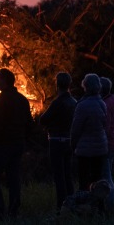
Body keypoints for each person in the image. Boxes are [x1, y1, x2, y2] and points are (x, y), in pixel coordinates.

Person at [0, 68, 33, 220]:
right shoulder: (22, 99)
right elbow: (29, 124)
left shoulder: (0, 100)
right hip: (17, 144)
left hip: (2, 145)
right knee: (13, 178)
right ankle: (14, 210)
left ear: (4, 81)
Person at [39, 72, 76, 210]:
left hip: (56, 141)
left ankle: (61, 206)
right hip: (69, 141)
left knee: (59, 175)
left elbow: (43, 119)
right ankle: (72, 204)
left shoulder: (58, 102)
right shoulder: (74, 102)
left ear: (57, 85)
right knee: (67, 174)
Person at [71, 73, 107, 195]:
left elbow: (76, 128)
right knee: (98, 180)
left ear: (85, 86)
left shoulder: (82, 105)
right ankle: (98, 207)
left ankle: (84, 206)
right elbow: (105, 125)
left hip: (85, 150)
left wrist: (72, 145)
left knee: (84, 180)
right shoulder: (102, 103)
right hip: (100, 148)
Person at [101, 77, 114, 211]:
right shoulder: (113, 101)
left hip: (108, 144)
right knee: (107, 174)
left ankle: (109, 206)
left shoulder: (106, 105)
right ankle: (106, 203)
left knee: (106, 177)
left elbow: (106, 127)